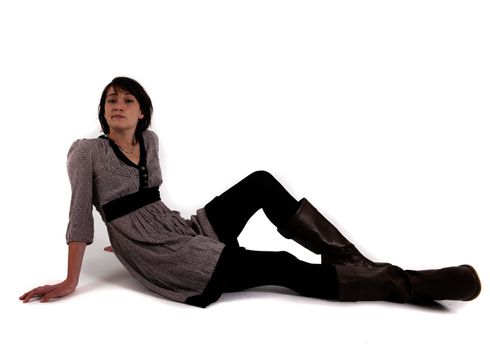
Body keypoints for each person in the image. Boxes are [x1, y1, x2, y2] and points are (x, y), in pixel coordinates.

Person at [19, 77, 481, 307]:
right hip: (169, 257)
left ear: (143, 113)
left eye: (127, 100)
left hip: (180, 228)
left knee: (260, 181)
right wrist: (74, 278)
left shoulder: (151, 143)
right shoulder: (85, 152)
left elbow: (145, 199)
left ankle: (355, 260)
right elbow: (81, 214)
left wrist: (127, 230)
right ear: (103, 112)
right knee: (280, 265)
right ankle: (408, 285)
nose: (117, 106)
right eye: (110, 101)